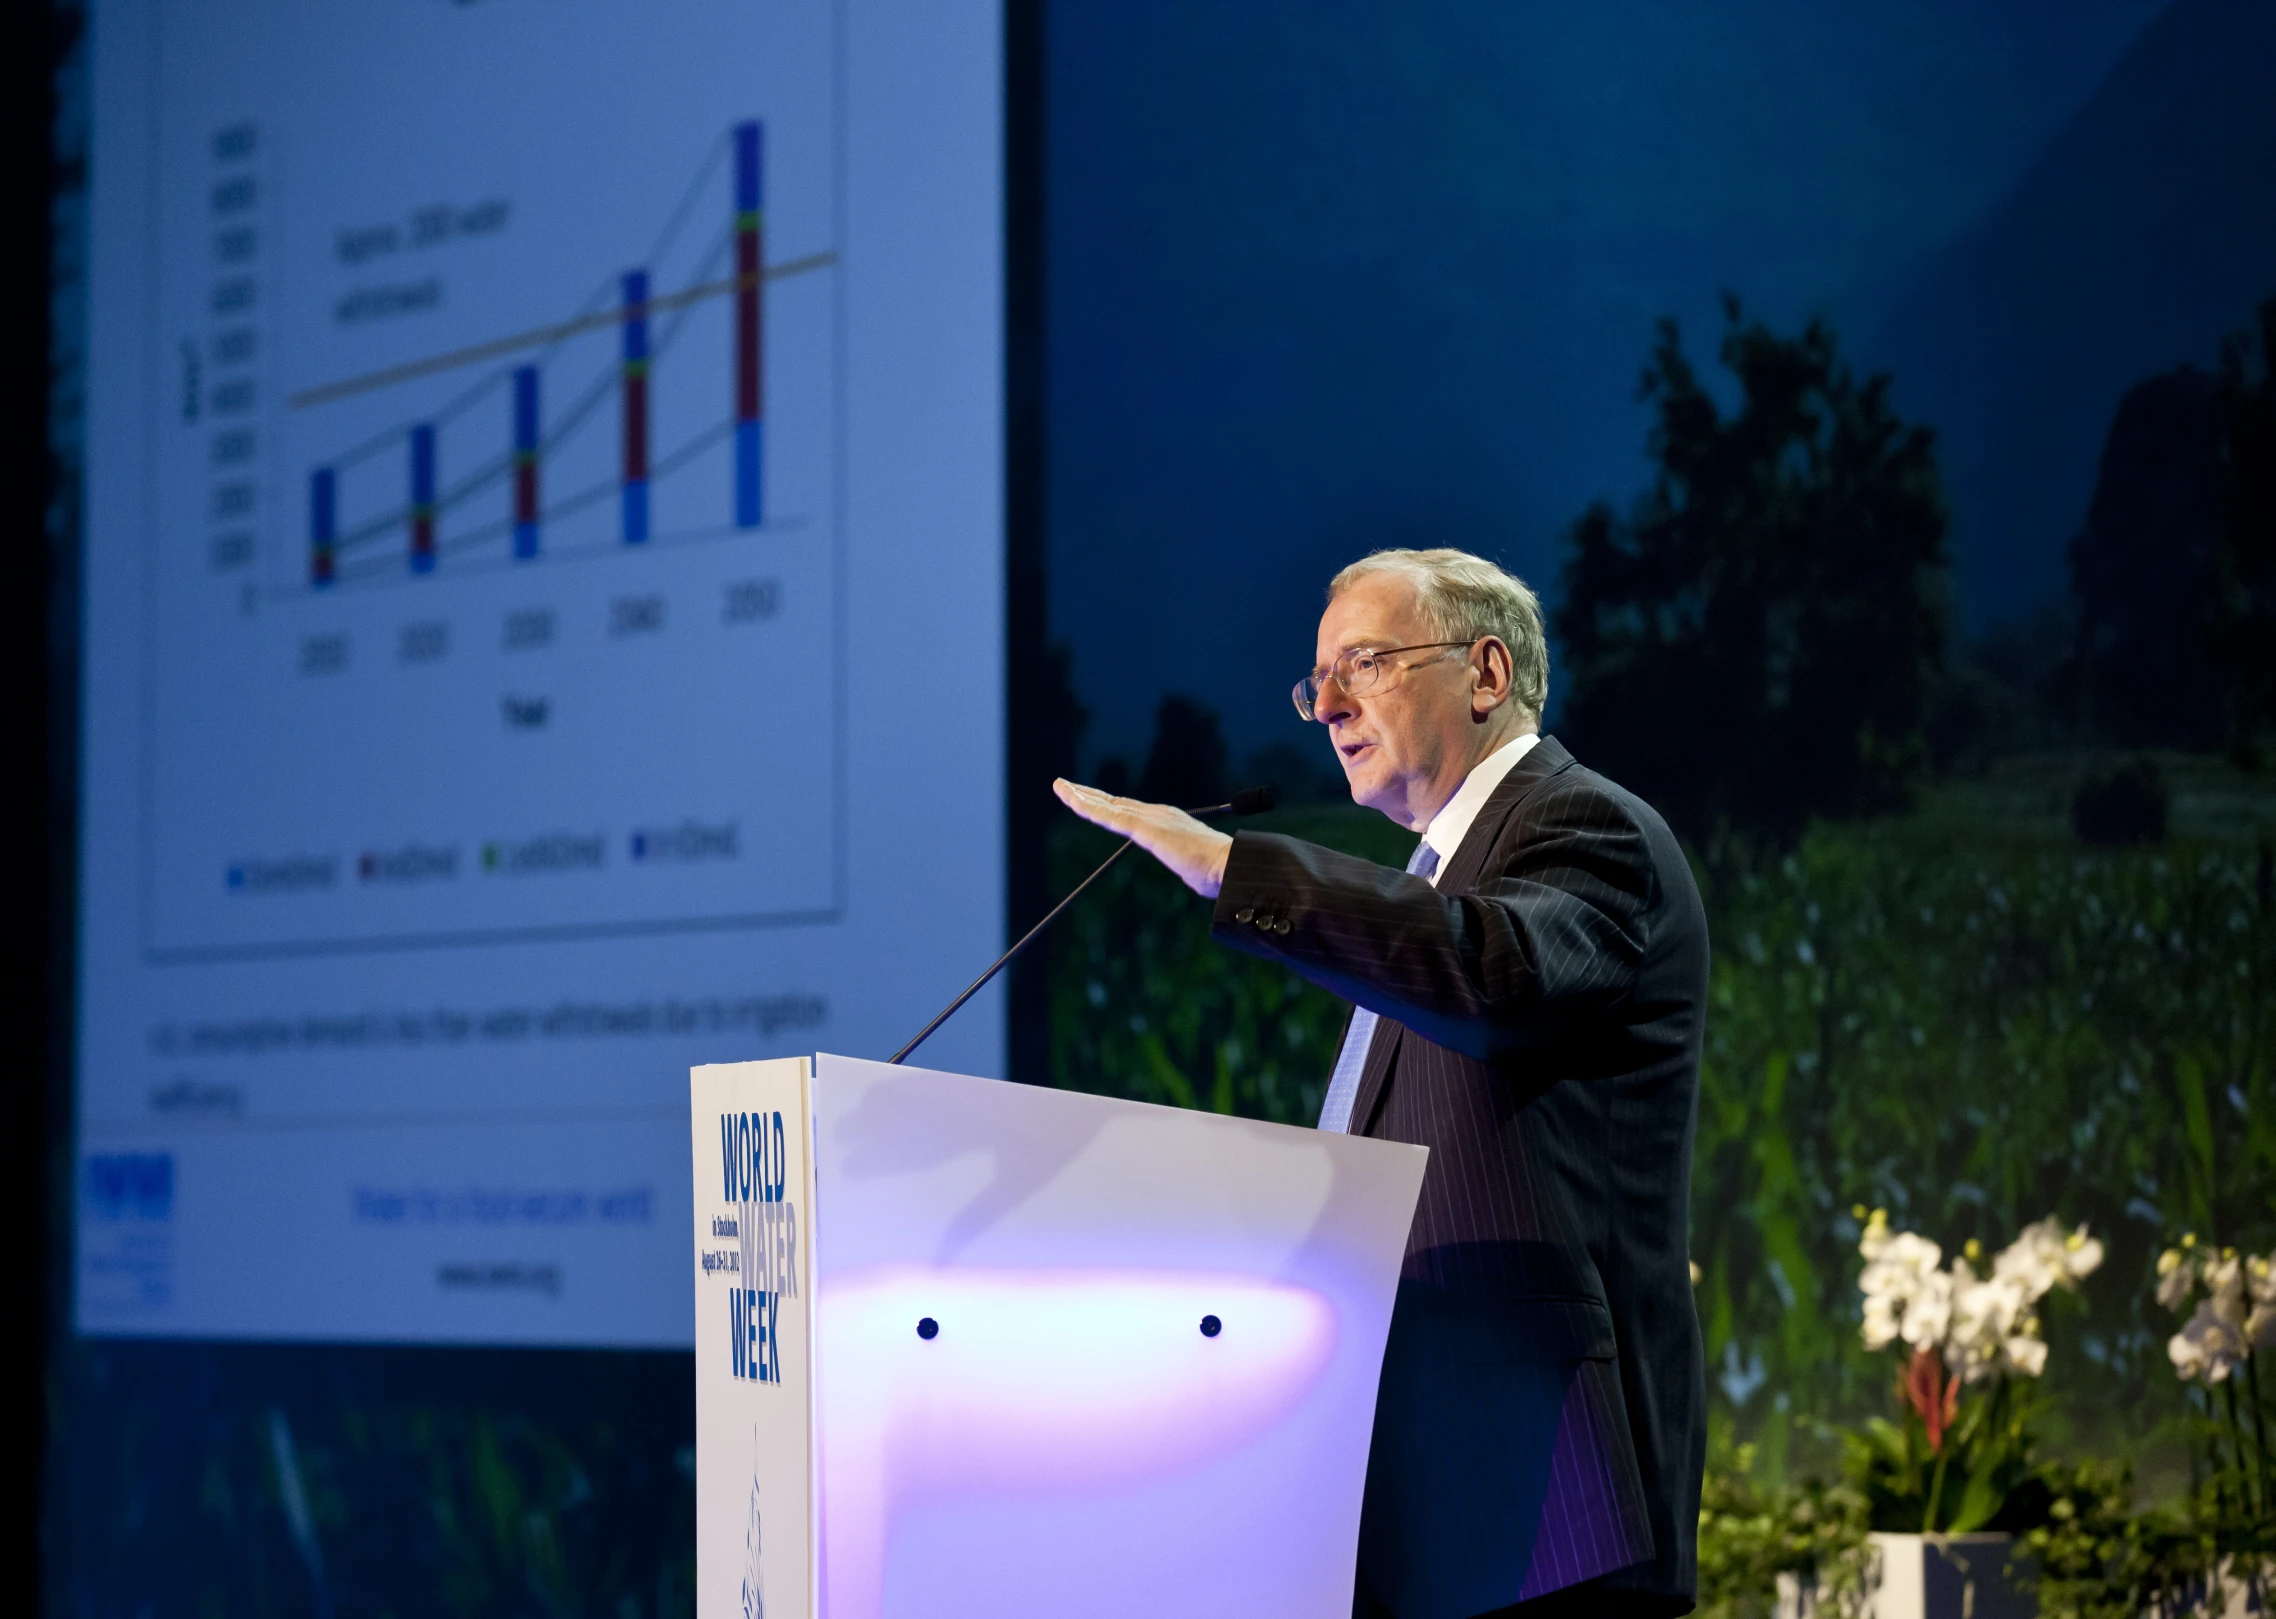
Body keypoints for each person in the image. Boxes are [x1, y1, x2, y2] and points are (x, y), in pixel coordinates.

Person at [1054, 548, 1707, 1619]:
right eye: (1319, 681)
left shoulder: (1586, 828)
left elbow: (1488, 970)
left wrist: (1236, 869)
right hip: (1435, 1500)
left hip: (1544, 1499)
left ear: (1486, 673)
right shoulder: (1438, 872)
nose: (1329, 705)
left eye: (1365, 661)